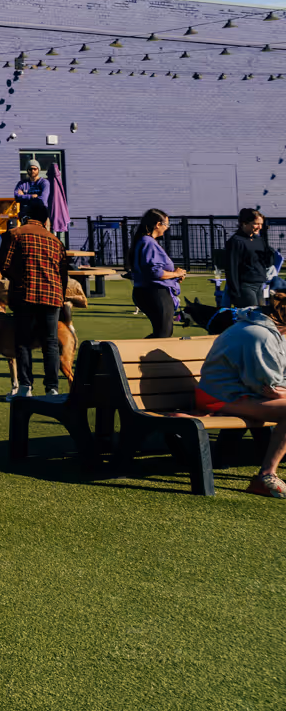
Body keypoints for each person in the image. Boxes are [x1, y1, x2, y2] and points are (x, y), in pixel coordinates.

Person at [195, 294, 286, 498]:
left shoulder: (273, 331)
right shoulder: (259, 335)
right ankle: (266, 475)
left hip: (243, 394)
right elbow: (265, 386)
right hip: (220, 396)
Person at [0, 197, 70, 396]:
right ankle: (52, 387)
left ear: (24, 217)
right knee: (50, 342)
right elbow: (63, 275)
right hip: (52, 296)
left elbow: (3, 264)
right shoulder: (56, 241)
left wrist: (18, 278)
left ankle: (26, 386)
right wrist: (58, 295)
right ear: (45, 220)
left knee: (23, 341)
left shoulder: (14, 234)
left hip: (24, 294)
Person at [128, 208, 185, 340]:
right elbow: (155, 273)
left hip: (148, 291)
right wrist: (175, 273)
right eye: (166, 225)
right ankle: (132, 355)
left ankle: (137, 356)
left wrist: (174, 277)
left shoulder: (143, 241)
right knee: (163, 333)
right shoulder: (148, 242)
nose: (167, 228)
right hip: (154, 292)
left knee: (163, 332)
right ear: (158, 224)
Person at [222, 209, 270, 310]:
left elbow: (267, 261)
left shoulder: (258, 240)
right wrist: (235, 291)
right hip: (245, 285)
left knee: (262, 315)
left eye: (261, 224)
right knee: (252, 316)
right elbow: (231, 267)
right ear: (244, 223)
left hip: (259, 283)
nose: (259, 227)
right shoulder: (236, 241)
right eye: (256, 224)